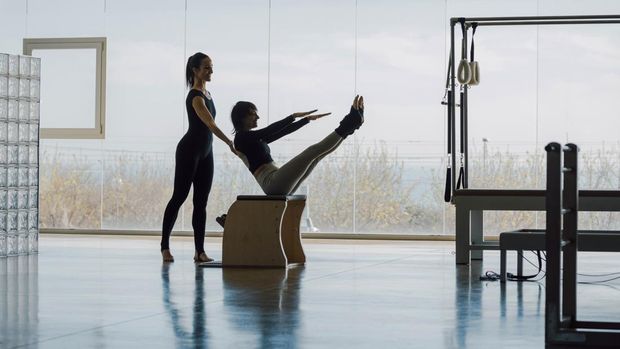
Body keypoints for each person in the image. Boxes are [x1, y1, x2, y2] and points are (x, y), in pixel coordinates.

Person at [161, 52, 237, 263]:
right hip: (189, 151)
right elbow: (210, 124)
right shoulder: (195, 96)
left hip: (206, 153)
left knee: (201, 203)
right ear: (195, 70)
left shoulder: (208, 94)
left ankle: (199, 252)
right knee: (179, 197)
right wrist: (230, 143)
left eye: (211, 68)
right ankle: (164, 247)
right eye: (206, 68)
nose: (211, 71)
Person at [231, 95, 365, 196]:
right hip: (271, 183)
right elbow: (269, 130)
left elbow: (282, 132)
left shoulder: (253, 139)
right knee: (311, 152)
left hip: (276, 180)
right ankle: (348, 124)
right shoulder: (241, 138)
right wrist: (293, 116)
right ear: (241, 117)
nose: (257, 117)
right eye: (253, 114)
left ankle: (350, 126)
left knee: (316, 157)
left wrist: (306, 120)